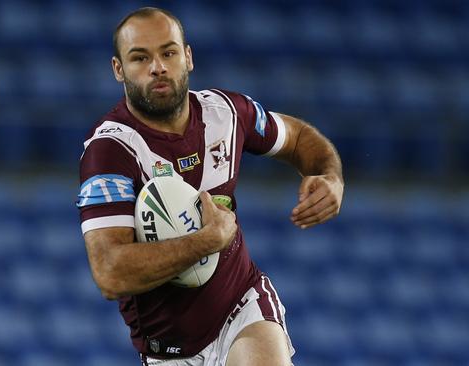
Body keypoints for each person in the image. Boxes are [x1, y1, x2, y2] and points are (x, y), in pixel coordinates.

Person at [77, 7, 344, 366]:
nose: (158, 67)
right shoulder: (110, 151)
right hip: (167, 350)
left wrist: (329, 175)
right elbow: (110, 272)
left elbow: (296, 138)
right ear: (118, 69)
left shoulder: (227, 113)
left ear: (187, 58)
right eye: (140, 58)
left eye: (168, 52)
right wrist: (206, 241)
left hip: (241, 307)